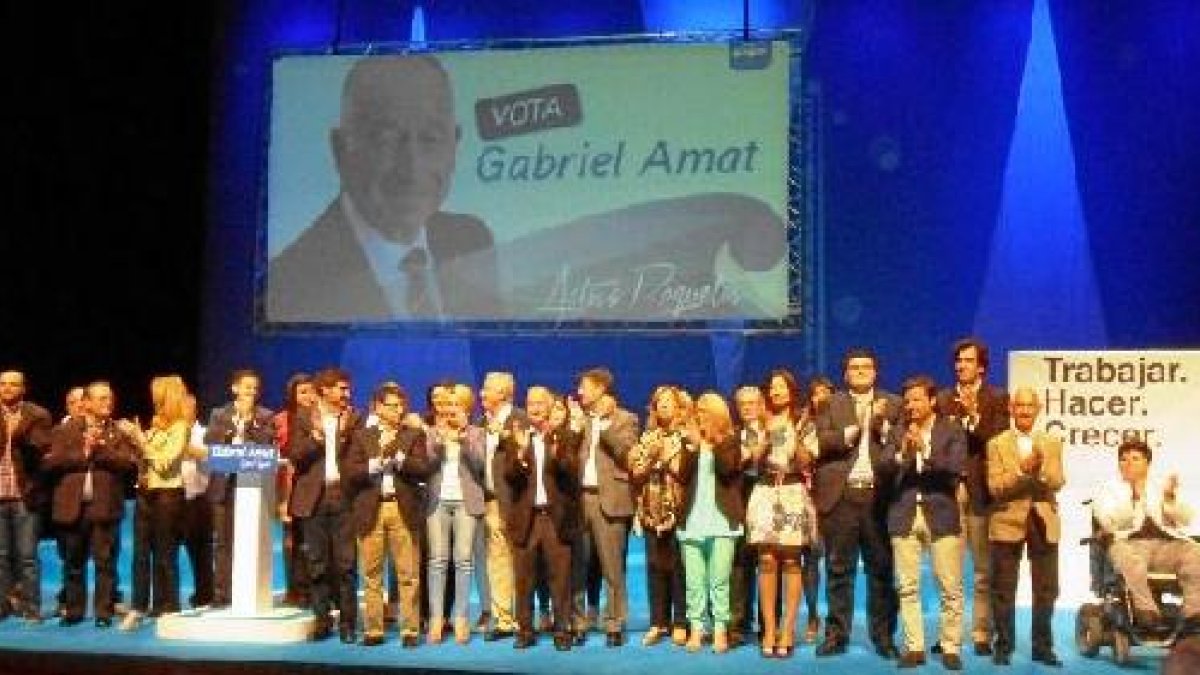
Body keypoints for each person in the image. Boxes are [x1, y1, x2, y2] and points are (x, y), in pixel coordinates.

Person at [267, 55, 499, 322]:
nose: (412, 168)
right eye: (385, 140)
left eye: (430, 139)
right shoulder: (289, 285)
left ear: (455, 145)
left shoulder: (472, 241)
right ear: (340, 150)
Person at [814, 348, 901, 658]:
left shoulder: (894, 403)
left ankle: (883, 637)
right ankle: (837, 635)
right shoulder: (829, 403)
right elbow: (820, 442)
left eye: (867, 367)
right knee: (839, 569)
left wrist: (879, 423)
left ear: (876, 372)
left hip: (879, 498)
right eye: (855, 367)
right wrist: (852, 431)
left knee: (881, 570)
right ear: (846, 374)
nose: (861, 371)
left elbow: (900, 444)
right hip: (842, 497)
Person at [882, 376, 967, 669]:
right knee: (907, 586)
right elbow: (883, 467)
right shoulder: (897, 432)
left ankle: (950, 646)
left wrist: (926, 452)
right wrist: (904, 452)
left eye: (917, 399)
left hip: (941, 514)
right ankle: (915, 647)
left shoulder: (952, 430)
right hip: (904, 515)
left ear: (931, 401)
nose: (911, 405)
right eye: (907, 400)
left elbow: (954, 469)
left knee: (950, 587)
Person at [935, 337, 1008, 655]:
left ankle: (980, 633)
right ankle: (948, 635)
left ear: (981, 366)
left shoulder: (997, 398)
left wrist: (973, 416)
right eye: (958, 361)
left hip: (980, 493)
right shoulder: (941, 399)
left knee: (982, 569)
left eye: (967, 360)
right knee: (947, 570)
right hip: (949, 492)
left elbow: (997, 442)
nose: (960, 366)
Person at [343, 382, 429, 647]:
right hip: (372, 507)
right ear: (378, 407)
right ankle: (373, 629)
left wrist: (400, 459)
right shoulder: (362, 436)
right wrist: (374, 464)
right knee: (371, 573)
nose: (398, 410)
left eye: (401, 405)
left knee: (408, 573)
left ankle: (410, 630)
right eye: (391, 405)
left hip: (403, 507)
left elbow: (423, 469)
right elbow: (350, 473)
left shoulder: (413, 434)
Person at [45, 382, 138, 627]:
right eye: (101, 399)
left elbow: (128, 464)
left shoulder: (118, 432)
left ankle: (103, 614)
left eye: (109, 398)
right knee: (73, 563)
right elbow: (50, 463)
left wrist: (100, 450)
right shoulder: (64, 430)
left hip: (104, 508)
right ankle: (74, 612)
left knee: (105, 564)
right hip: (72, 507)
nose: (107, 403)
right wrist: (83, 453)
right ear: (86, 403)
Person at [986, 387, 1064, 667]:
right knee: (1003, 588)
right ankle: (1003, 646)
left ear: (1039, 408)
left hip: (1042, 518)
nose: (1024, 411)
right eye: (1019, 405)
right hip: (1007, 520)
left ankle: (1042, 647)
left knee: (1046, 588)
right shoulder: (996, 443)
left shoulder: (1052, 442)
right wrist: (1021, 471)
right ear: (1011, 408)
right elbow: (995, 487)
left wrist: (1040, 470)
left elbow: (1057, 481)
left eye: (1030, 406)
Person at [745, 369, 819, 659]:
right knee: (766, 559)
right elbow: (751, 462)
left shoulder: (804, 422)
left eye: (781, 387)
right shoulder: (756, 423)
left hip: (792, 491)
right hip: (764, 492)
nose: (776, 392)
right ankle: (769, 629)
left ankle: (788, 629)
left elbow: (806, 462)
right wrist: (765, 434)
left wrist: (794, 434)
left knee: (791, 560)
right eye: (772, 388)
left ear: (791, 391)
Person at [1093, 438, 1200, 633]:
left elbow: (1187, 518)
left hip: (1165, 546)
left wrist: (1169, 499)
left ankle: (1193, 612)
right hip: (1129, 544)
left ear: (1147, 464)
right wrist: (1133, 496)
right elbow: (1108, 521)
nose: (1128, 463)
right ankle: (1146, 611)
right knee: (1130, 559)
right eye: (1123, 459)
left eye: (1135, 459)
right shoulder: (1108, 489)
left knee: (1194, 553)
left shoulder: (1160, 487)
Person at [288, 367, 363, 643]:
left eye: (347, 388)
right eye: (341, 388)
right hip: (314, 499)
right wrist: (318, 438)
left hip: (344, 498)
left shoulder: (354, 418)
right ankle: (322, 621)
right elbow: (295, 455)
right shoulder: (305, 418)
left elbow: (359, 458)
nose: (347, 393)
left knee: (346, 564)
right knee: (317, 563)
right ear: (325, 390)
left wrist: (342, 436)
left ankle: (348, 624)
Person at [505, 387, 582, 651]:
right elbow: (509, 477)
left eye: (540, 403)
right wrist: (520, 454)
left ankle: (562, 632)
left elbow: (572, 472)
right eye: (530, 403)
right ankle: (525, 631)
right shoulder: (517, 437)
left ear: (550, 407)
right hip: (527, 518)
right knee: (524, 579)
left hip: (555, 519)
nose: (534, 407)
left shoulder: (565, 436)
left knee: (560, 578)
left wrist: (558, 448)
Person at [570, 367, 639, 647]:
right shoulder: (578, 419)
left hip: (609, 499)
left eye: (584, 386)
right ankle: (578, 622)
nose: (579, 392)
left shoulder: (626, 419)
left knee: (612, 567)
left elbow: (626, 453)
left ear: (600, 388)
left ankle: (614, 623)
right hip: (579, 499)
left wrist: (605, 425)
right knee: (578, 566)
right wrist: (574, 428)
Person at [675, 392, 745, 654]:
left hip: (721, 520)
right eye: (698, 412)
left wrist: (708, 444)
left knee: (719, 580)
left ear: (717, 415)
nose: (699, 416)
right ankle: (696, 628)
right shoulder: (691, 441)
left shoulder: (730, 440)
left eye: (704, 412)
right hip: (693, 519)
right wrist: (692, 446)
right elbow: (682, 476)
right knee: (694, 580)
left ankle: (719, 630)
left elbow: (728, 470)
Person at [120, 375, 190, 630]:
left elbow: (165, 462)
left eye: (156, 394)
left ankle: (168, 606)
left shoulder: (180, 427)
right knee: (140, 554)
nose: (152, 398)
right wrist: (133, 442)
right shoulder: (155, 425)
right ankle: (138, 606)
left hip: (167, 495)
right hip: (145, 493)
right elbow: (146, 461)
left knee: (164, 553)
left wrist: (141, 439)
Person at [203, 369, 276, 609]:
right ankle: (222, 593)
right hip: (224, 485)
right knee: (222, 542)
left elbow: (267, 443)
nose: (251, 393)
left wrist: (249, 424)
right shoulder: (219, 414)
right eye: (247, 387)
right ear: (235, 388)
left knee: (249, 540)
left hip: (253, 489)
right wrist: (235, 427)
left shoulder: (264, 416)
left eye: (255, 388)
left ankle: (247, 591)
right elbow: (211, 442)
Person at [423, 384, 486, 645]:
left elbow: (480, 465)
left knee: (463, 561)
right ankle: (437, 618)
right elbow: (425, 464)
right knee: (437, 561)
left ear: (466, 410)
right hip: (437, 503)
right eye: (447, 406)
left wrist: (463, 439)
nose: (450, 411)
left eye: (456, 406)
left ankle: (460, 617)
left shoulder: (476, 433)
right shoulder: (431, 434)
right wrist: (440, 440)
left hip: (465, 502)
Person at [627, 385, 690, 647]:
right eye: (659, 402)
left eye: (668, 401)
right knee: (654, 566)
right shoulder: (647, 436)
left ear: (678, 407)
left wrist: (663, 458)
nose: (663, 405)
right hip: (652, 510)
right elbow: (636, 472)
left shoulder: (685, 436)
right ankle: (657, 622)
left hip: (678, 510)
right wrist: (650, 459)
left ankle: (680, 622)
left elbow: (684, 472)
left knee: (678, 566)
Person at [0, 370, 53, 622]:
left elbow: (42, 451)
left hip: (25, 495)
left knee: (27, 556)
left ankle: (32, 608)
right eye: (3, 384)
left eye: (13, 384)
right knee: (0, 556)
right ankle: (3, 606)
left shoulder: (37, 414)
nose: (7, 388)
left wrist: (17, 432)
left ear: (23, 388)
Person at [478, 371, 524, 640]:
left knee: (521, 561)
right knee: (497, 562)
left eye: (488, 389)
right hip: (490, 503)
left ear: (504, 394)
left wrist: (506, 435)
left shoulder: (521, 420)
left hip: (516, 503)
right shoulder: (481, 423)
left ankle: (524, 616)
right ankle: (504, 619)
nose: (482, 393)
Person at [274, 372, 316, 607]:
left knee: (314, 541)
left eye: (311, 391)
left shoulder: (322, 417)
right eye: (302, 392)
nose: (307, 396)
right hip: (289, 488)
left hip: (314, 488)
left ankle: (315, 590)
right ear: (292, 395)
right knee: (292, 540)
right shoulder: (281, 420)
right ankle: (295, 590)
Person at [178, 394, 213, 609]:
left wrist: (185, 448)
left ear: (193, 409)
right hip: (175, 496)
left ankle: (205, 593)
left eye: (186, 408)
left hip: (199, 499)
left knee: (201, 550)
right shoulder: (170, 433)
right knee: (180, 549)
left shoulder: (204, 432)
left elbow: (210, 456)